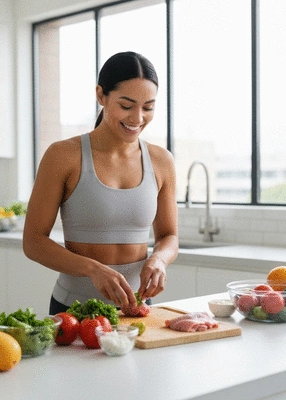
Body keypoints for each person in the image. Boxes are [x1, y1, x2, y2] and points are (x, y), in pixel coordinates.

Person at [23, 51, 178, 315]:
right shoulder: (63, 155)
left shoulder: (161, 161)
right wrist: (92, 269)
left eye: (148, 107)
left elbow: (169, 236)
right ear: (101, 95)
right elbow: (34, 242)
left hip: (137, 308)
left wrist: (159, 260)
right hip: (73, 309)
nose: (137, 118)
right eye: (126, 106)